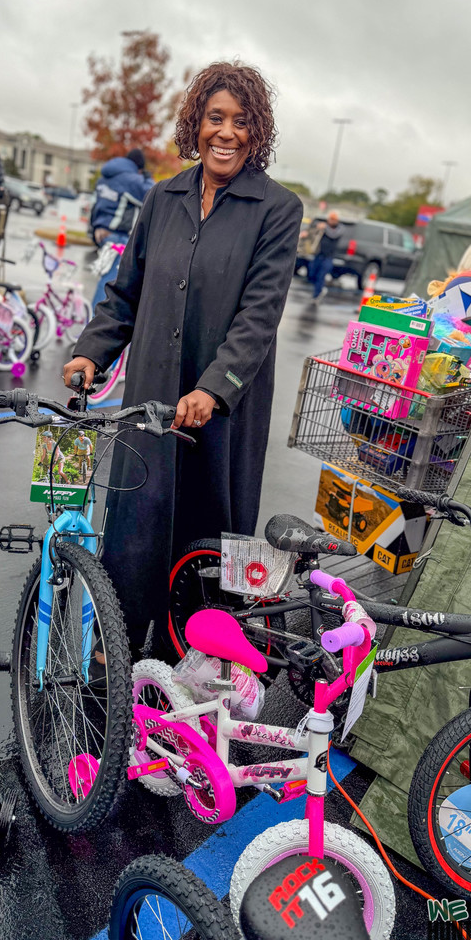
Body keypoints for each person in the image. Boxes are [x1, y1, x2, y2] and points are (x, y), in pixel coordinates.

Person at [63, 61, 302, 659]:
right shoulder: (162, 198)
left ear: (257, 132)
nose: (226, 133)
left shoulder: (277, 209)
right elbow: (126, 291)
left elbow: (260, 315)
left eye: (241, 122)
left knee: (206, 536)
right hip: (150, 398)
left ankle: (193, 663)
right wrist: (92, 351)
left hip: (220, 412)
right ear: (196, 123)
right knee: (134, 527)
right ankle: (115, 653)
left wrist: (214, 388)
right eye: (216, 118)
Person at [89, 148, 154, 309]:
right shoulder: (131, 180)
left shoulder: (105, 177)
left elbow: (96, 205)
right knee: (111, 282)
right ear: (139, 168)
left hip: (102, 233)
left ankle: (98, 317)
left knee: (106, 277)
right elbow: (152, 194)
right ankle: (95, 320)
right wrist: (147, 178)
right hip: (118, 236)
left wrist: (95, 227)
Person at [307, 211, 343, 301]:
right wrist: (317, 226)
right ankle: (320, 289)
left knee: (321, 275)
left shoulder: (340, 228)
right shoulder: (323, 225)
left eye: (333, 219)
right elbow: (312, 229)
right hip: (318, 254)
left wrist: (325, 227)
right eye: (330, 219)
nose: (331, 221)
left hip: (328, 257)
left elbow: (333, 234)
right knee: (311, 273)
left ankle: (316, 294)